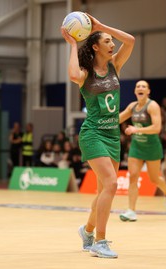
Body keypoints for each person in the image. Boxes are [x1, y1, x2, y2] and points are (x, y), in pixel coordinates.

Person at [61, 13, 135, 258]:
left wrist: (103, 26)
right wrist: (72, 45)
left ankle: (88, 230)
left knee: (103, 190)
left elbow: (131, 40)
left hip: (113, 136)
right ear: (95, 47)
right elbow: (72, 75)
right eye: (106, 41)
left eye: (111, 41)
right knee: (112, 185)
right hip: (93, 134)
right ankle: (99, 242)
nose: (112, 43)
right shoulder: (85, 73)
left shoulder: (114, 65)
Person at [118, 80, 166, 222]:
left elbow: (157, 128)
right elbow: (118, 119)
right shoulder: (132, 106)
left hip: (152, 147)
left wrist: (136, 129)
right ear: (135, 91)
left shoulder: (153, 106)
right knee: (133, 176)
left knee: (154, 179)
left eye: (143, 86)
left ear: (148, 91)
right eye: (138, 86)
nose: (140, 88)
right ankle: (131, 211)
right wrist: (102, 119)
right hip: (136, 147)